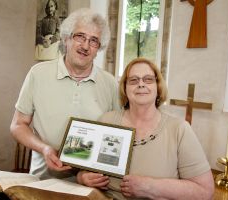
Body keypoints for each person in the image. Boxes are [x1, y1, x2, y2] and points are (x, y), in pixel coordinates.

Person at [76, 57, 214, 200]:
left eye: (148, 79)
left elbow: (205, 191)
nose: (141, 84)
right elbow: (82, 172)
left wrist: (150, 187)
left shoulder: (179, 129)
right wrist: (83, 178)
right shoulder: (107, 120)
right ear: (124, 88)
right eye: (133, 80)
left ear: (158, 86)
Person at [10, 8, 120, 180]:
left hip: (91, 184)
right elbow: (18, 125)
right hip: (43, 180)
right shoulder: (38, 74)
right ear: (66, 38)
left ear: (99, 48)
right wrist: (44, 149)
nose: (85, 46)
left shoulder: (110, 83)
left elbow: (117, 135)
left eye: (93, 41)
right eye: (80, 37)